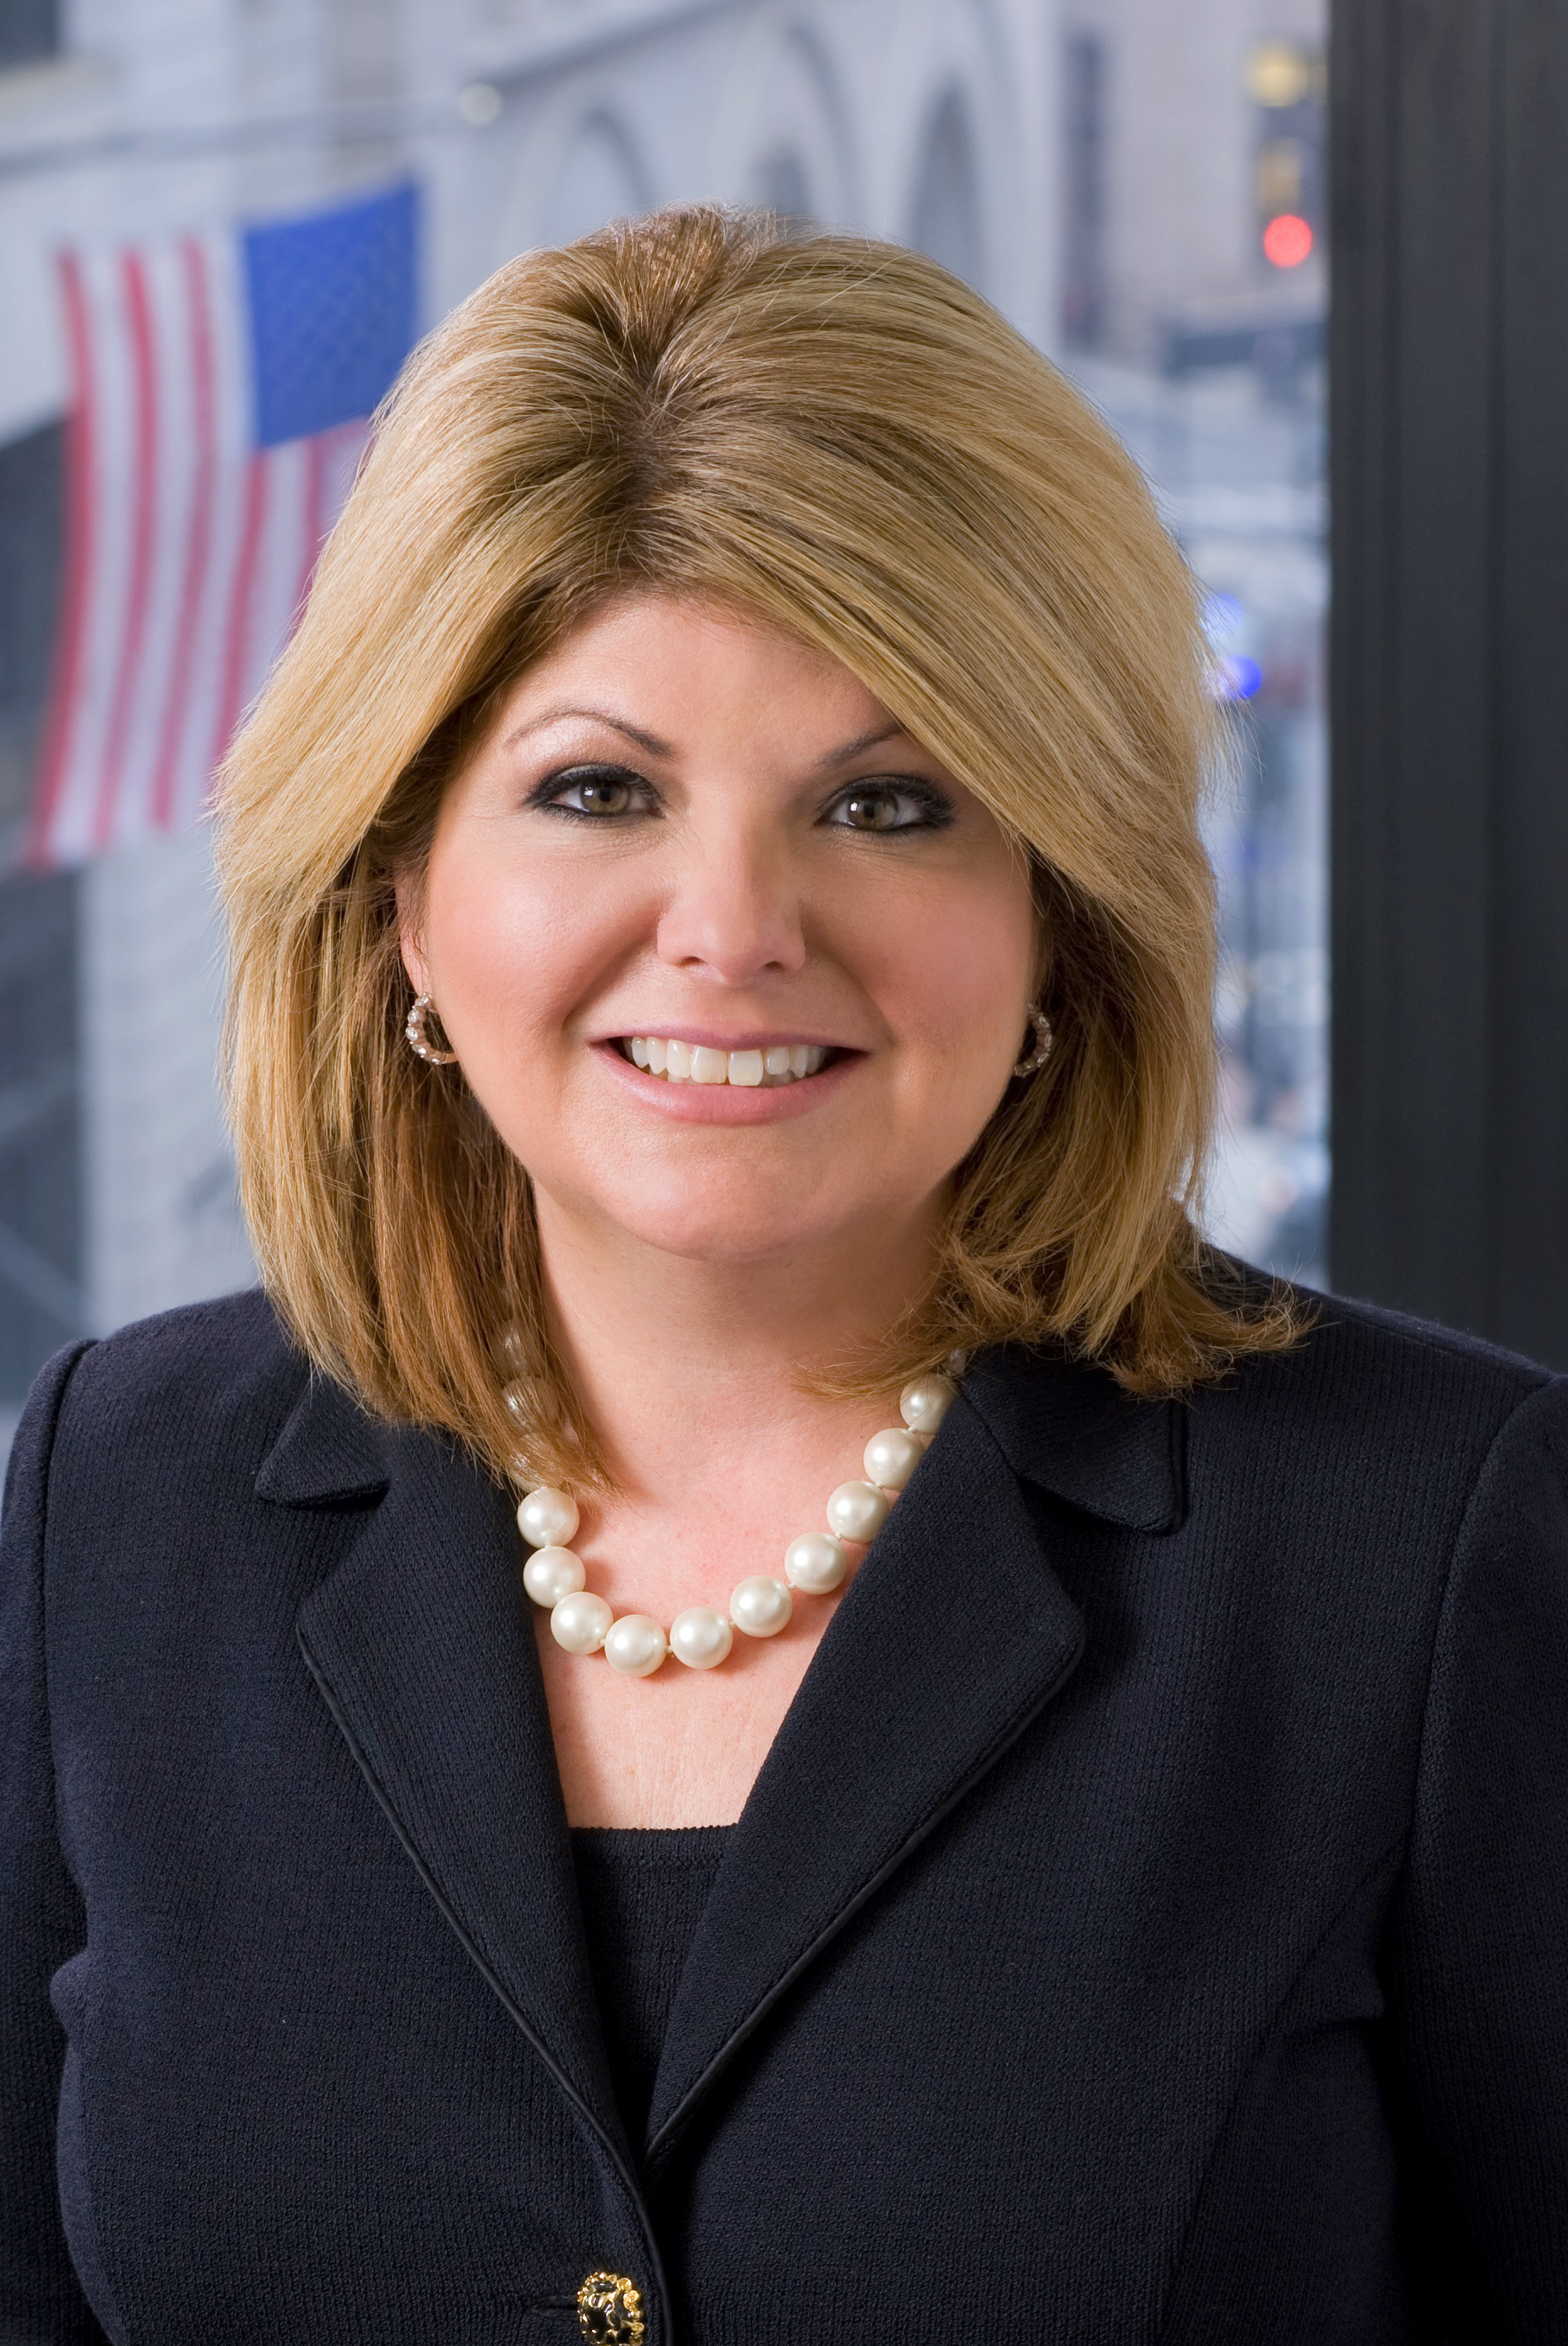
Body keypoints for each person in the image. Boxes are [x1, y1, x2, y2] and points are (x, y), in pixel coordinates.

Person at [3, 206, 1565, 2346]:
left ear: (1056, 915)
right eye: (593, 789)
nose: (730, 927)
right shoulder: (115, 1498)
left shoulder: (1430, 1543)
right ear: (397, 902)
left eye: (890, 804)